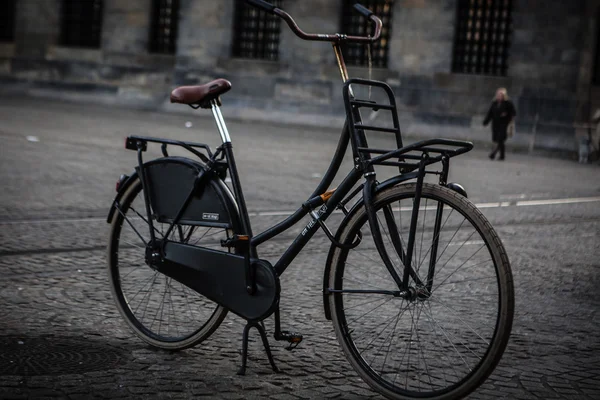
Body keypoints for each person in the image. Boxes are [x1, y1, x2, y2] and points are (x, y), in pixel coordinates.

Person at [483, 88, 516, 160]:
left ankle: (493, 153)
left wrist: (506, 114)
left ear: (504, 95)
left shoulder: (508, 103)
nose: (499, 96)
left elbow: (513, 112)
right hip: (495, 124)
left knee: (501, 139)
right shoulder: (494, 103)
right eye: (498, 94)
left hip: (504, 124)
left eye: (501, 95)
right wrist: (486, 121)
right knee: (497, 140)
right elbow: (490, 113)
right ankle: (502, 155)